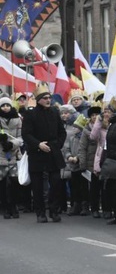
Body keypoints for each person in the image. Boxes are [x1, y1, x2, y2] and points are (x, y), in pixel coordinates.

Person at [22, 84, 66, 223]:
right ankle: (40, 212)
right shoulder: (30, 114)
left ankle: (53, 210)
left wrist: (57, 145)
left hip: (53, 152)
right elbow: (26, 134)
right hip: (37, 153)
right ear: (39, 99)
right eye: (45, 98)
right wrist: (38, 144)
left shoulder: (54, 112)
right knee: (38, 186)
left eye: (49, 97)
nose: (48, 100)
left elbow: (62, 132)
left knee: (56, 182)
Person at [62, 109, 88, 216]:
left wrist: (78, 158)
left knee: (83, 187)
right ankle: (75, 205)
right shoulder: (72, 138)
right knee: (74, 187)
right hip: (72, 165)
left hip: (81, 165)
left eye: (76, 127)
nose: (73, 129)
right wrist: (69, 157)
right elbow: (67, 149)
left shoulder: (84, 137)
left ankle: (84, 206)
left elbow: (84, 149)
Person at [0, 97, 21, 219]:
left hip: (13, 154)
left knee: (14, 182)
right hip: (1, 155)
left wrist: (12, 144)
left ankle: (14, 205)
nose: (5, 107)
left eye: (8, 105)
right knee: (2, 184)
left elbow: (21, 137)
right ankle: (6, 207)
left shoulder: (17, 119)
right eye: (3, 106)